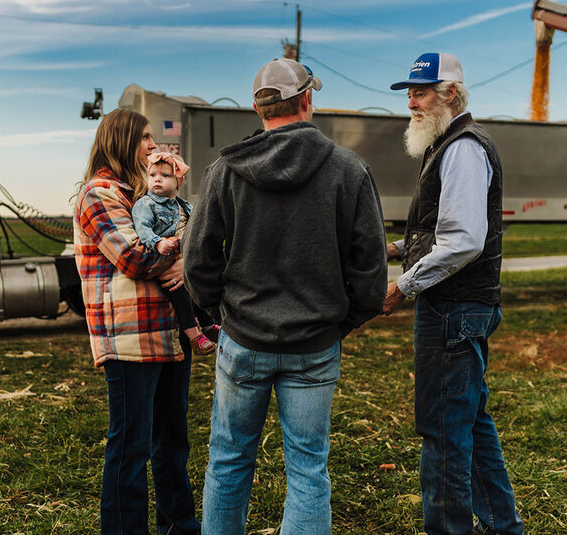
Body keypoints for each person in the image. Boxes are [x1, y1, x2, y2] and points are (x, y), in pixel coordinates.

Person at [184, 58, 388, 535]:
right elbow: (372, 271)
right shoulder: (349, 170)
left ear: (259, 109)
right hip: (315, 345)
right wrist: (339, 323)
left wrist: (223, 314)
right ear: (308, 101)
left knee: (230, 461)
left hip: (244, 341)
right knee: (308, 470)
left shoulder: (224, 172)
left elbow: (197, 261)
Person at [383, 52, 524, 535]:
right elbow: (439, 228)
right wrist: (395, 247)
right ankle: (502, 526)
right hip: (462, 308)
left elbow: (463, 241)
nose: (411, 102)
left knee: (443, 430)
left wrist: (402, 286)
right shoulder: (448, 143)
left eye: (421, 92)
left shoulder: (463, 148)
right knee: (472, 422)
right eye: (409, 92)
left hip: (454, 309)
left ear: (452, 95)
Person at [72, 108, 200, 535]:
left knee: (173, 444)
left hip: (168, 336)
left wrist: (183, 257)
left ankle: (179, 527)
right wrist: (181, 257)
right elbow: (135, 257)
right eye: (145, 137)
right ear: (123, 139)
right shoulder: (99, 194)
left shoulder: (150, 195)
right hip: (128, 339)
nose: (153, 145)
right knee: (131, 446)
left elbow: (193, 236)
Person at [132, 151, 217, 356]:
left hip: (185, 261)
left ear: (179, 181)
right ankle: (194, 336)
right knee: (180, 297)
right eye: (153, 175)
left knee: (199, 290)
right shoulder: (146, 204)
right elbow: (142, 228)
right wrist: (158, 242)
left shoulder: (184, 205)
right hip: (166, 263)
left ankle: (209, 326)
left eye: (165, 175)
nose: (157, 179)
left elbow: (197, 229)